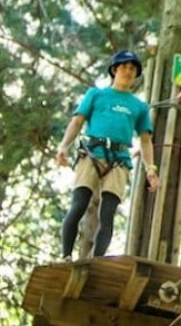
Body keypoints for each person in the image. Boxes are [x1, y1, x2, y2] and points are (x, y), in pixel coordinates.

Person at [55, 49, 160, 261]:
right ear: (115, 70)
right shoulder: (96, 95)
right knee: (79, 205)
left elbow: (146, 140)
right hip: (93, 152)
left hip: (119, 159)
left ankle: (96, 261)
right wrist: (64, 145)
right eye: (124, 67)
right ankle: (66, 255)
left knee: (107, 214)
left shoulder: (139, 106)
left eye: (132, 69)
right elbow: (77, 122)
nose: (128, 72)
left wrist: (151, 169)